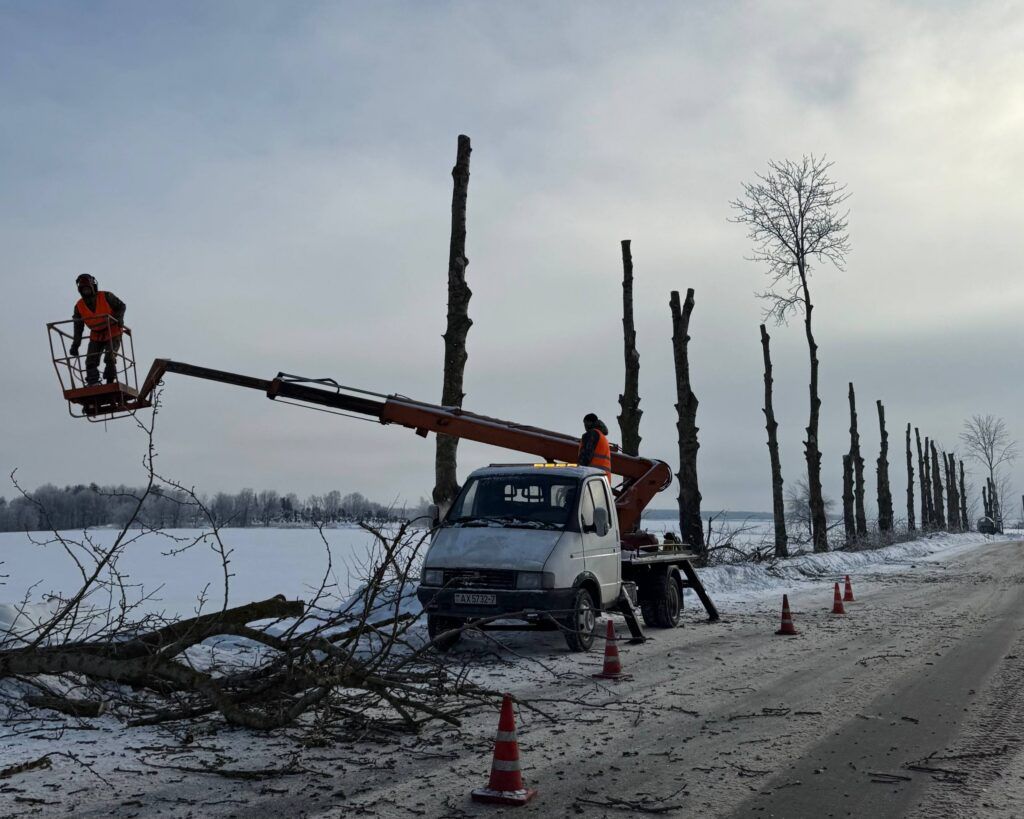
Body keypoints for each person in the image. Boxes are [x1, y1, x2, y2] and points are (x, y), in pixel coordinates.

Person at [68, 274, 126, 386]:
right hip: (96, 334)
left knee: (110, 357)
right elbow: (78, 327)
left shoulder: (106, 296)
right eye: (83, 289)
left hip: (112, 330)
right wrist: (75, 345)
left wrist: (119, 319)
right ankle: (93, 382)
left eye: (88, 288)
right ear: (80, 290)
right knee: (90, 360)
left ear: (93, 287)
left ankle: (110, 381)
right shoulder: (79, 306)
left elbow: (121, 306)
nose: (86, 291)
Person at [577, 412, 612, 483]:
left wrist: (578, 472)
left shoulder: (592, 434)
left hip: (592, 477)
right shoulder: (602, 436)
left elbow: (585, 457)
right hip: (603, 479)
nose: (585, 426)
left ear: (590, 422)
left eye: (585, 423)